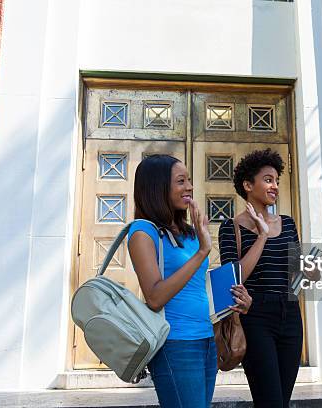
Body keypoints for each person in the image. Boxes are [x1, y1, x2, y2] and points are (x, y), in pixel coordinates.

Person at [127, 154, 252, 408]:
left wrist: (237, 302)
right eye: (181, 181)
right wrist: (202, 252)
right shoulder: (143, 233)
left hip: (206, 339)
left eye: (190, 180)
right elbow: (154, 297)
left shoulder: (190, 232)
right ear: (158, 187)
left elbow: (196, 288)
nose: (190, 187)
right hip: (175, 344)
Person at [218, 148, 304, 408]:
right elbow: (233, 279)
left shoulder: (288, 223)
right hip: (254, 318)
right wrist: (263, 235)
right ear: (247, 185)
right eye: (268, 179)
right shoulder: (230, 227)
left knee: (282, 402)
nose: (275, 186)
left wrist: (309, 270)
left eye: (276, 180)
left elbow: (298, 277)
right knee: (270, 403)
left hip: (290, 316)